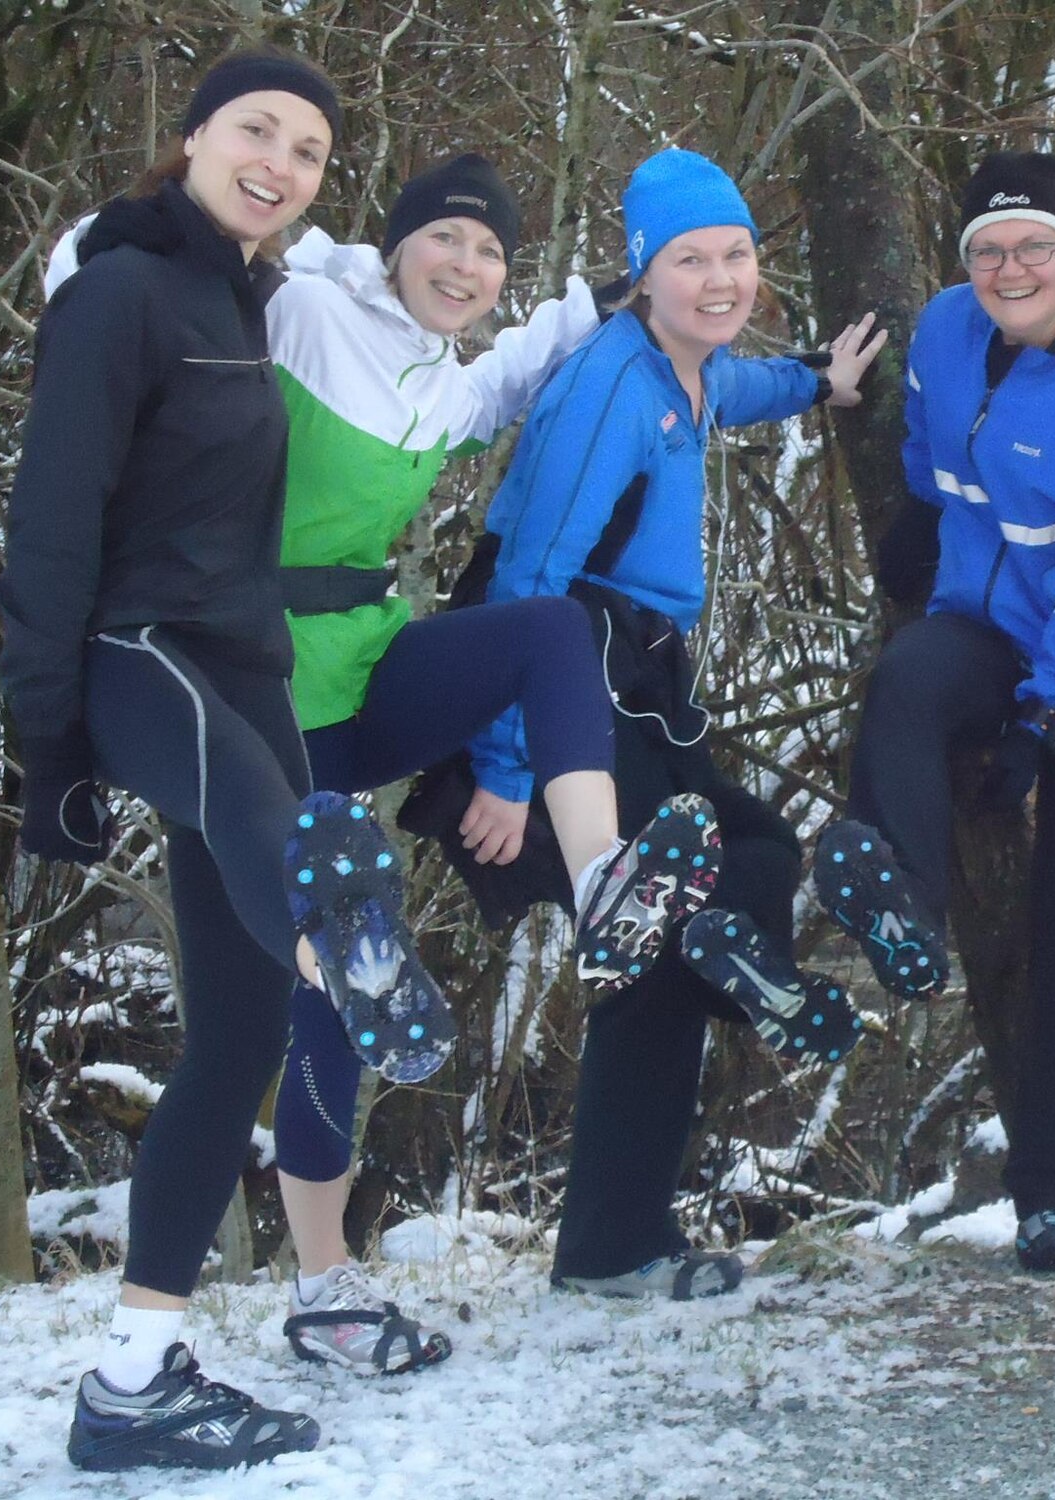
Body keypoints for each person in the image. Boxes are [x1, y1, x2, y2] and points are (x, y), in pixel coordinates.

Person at [47, 153, 716, 1373]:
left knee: (551, 633)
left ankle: (604, 878)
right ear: (393, 243)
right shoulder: (299, 308)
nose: (465, 268)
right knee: (314, 1003)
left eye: (489, 255)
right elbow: (111, 266)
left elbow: (534, 366)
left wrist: (687, 314)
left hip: (362, 670)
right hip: (251, 699)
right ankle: (325, 1288)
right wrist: (196, 216)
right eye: (444, 240)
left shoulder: (448, 385)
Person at [0, 50, 441, 1471]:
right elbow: (53, 529)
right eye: (258, 129)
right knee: (278, 837)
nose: (280, 162)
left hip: (245, 674)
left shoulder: (245, 300)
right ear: (192, 135)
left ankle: (131, 1378)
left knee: (239, 1041)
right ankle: (340, 942)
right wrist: (44, 743)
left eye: (310, 151)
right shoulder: (120, 292)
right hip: (143, 659)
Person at [454, 147, 885, 1297]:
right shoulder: (609, 384)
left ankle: (715, 985)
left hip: (627, 675)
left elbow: (739, 388)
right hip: (552, 672)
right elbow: (529, 580)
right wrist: (502, 767)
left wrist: (818, 383)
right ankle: (616, 1240)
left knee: (744, 858)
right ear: (644, 273)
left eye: (735, 255)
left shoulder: (686, 367)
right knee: (675, 910)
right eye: (690, 259)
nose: (718, 278)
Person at [831, 151, 1055, 1272]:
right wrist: (922, 514)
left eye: (1033, 246)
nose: (1007, 267)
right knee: (901, 686)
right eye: (987, 250)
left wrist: (1044, 720)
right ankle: (909, 920)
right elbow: (935, 436)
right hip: (978, 621)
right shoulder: (941, 327)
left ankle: (1048, 1195)